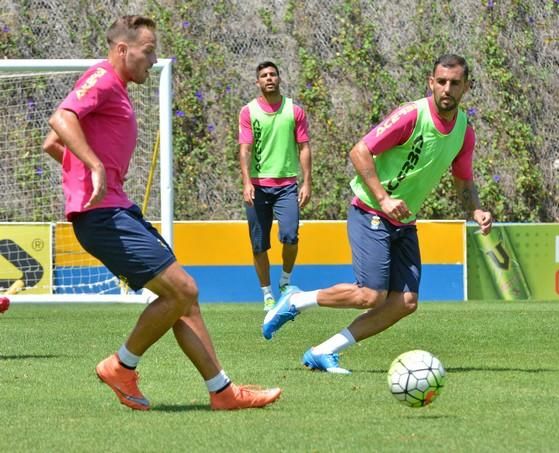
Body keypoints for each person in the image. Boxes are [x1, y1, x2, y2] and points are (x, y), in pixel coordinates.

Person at [42, 15, 281, 410]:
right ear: (123, 50)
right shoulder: (102, 77)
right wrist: (95, 168)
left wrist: (82, 170)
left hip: (115, 209)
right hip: (102, 216)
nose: (153, 61)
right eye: (148, 51)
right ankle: (121, 365)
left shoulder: (115, 88)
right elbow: (60, 120)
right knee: (183, 289)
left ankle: (222, 392)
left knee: (184, 297)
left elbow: (54, 143)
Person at [262, 54, 493, 374]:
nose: (447, 89)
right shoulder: (411, 116)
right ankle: (296, 301)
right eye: (441, 82)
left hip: (404, 221)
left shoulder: (464, 131)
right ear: (431, 82)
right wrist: (383, 199)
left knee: (405, 302)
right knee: (370, 294)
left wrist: (476, 209)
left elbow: (463, 178)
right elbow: (359, 151)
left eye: (455, 83)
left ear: (467, 87)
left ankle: (324, 351)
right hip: (370, 211)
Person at [238, 61, 312, 311]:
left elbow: (304, 147)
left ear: (279, 79)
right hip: (258, 188)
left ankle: (285, 281)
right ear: (257, 82)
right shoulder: (248, 112)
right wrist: (246, 182)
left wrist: (306, 182)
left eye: (273, 74)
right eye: (263, 75)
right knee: (259, 244)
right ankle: (267, 293)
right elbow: (245, 149)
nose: (269, 78)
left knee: (290, 236)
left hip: (286, 187)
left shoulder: (295, 111)